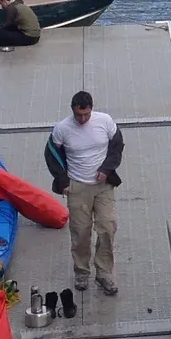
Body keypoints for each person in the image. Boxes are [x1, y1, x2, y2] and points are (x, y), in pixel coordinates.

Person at [44, 89, 122, 295]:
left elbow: (117, 146)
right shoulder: (62, 129)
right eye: (78, 114)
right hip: (77, 186)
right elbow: (51, 153)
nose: (82, 118)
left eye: (86, 114)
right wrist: (63, 180)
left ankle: (104, 273)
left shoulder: (105, 121)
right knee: (81, 232)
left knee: (107, 227)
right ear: (72, 110)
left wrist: (106, 170)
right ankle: (81, 271)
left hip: (103, 185)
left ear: (92, 109)